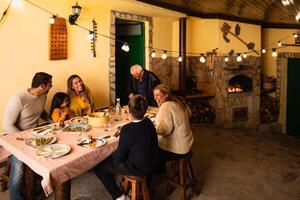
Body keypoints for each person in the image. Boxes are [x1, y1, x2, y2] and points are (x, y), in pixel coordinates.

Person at [94, 95, 158, 200]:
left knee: (98, 165)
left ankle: (119, 196)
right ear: (145, 110)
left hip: (138, 168)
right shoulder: (149, 122)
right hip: (151, 163)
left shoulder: (127, 129)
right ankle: (128, 187)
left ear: (129, 110)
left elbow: (120, 158)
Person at [2, 72, 53, 200]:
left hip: (34, 136)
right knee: (19, 168)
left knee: (51, 154)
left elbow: (40, 111)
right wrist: (25, 139)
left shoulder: (43, 96)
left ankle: (37, 188)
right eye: (49, 84)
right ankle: (16, 197)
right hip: (14, 138)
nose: (51, 86)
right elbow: (8, 126)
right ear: (41, 85)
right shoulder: (18, 99)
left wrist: (51, 121)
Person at [153, 84, 194, 166]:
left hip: (178, 150)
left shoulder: (166, 106)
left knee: (151, 149)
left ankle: (159, 174)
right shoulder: (179, 102)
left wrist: (153, 128)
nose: (155, 98)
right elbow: (189, 114)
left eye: (157, 95)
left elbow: (165, 131)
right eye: (154, 95)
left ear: (166, 95)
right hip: (187, 144)